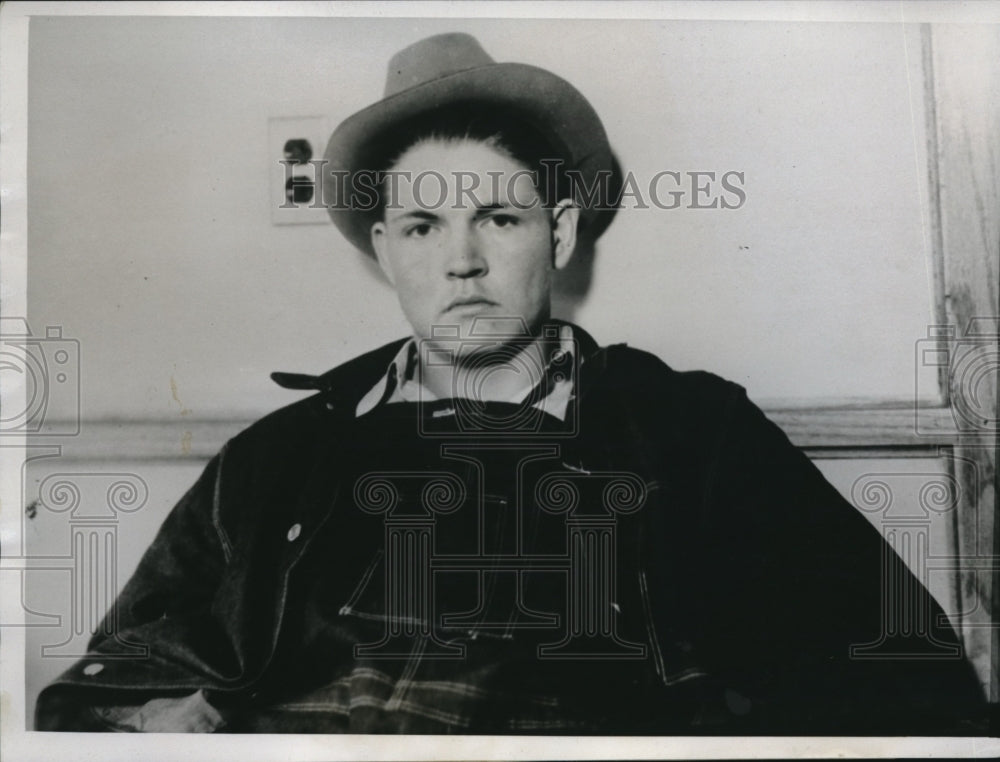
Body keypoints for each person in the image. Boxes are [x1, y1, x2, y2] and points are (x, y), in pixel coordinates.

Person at [35, 32, 986, 735]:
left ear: (559, 233)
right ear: (385, 251)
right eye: (422, 228)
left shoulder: (689, 432)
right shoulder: (278, 457)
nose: (462, 261)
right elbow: (103, 684)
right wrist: (148, 719)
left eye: (497, 218)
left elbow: (904, 672)